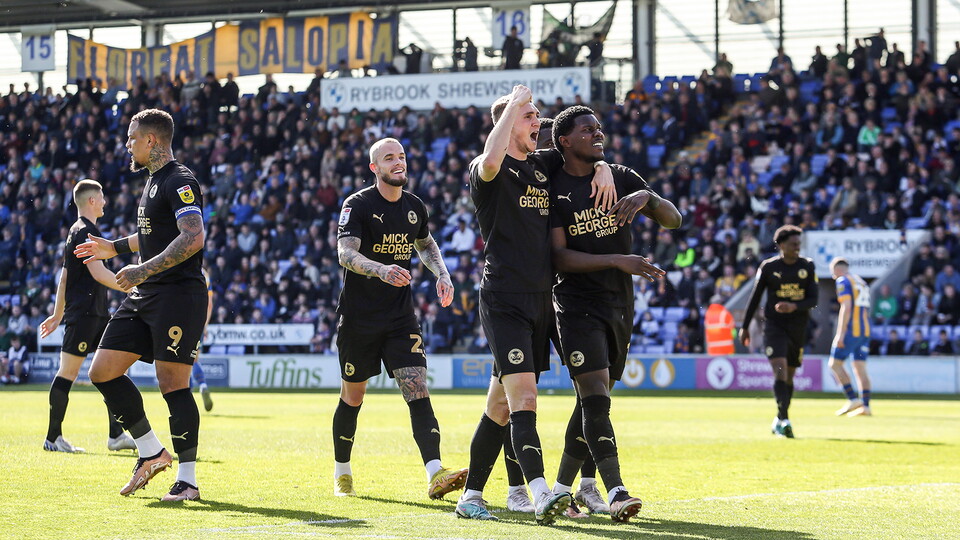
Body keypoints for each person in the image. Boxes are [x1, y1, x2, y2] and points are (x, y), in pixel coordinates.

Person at [454, 85, 615, 525]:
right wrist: (512, 104)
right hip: (504, 299)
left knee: (500, 406)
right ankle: (541, 493)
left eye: (537, 116)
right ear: (506, 125)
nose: (538, 123)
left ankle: (469, 496)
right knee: (525, 399)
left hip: (540, 301)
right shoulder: (488, 168)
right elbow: (490, 158)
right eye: (529, 117)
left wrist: (601, 166)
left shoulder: (542, 166)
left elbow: (581, 159)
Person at [549, 105, 681, 522]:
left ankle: (560, 492)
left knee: (594, 402)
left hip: (619, 304)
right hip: (574, 304)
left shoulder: (622, 176)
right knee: (594, 397)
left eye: (599, 128)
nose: (597, 133)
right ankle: (616, 490)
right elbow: (559, 257)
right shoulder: (554, 187)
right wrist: (616, 260)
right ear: (565, 140)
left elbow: (673, 220)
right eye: (587, 130)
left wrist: (649, 196)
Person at [74, 109, 207, 502]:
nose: (127, 145)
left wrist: (141, 271)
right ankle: (151, 452)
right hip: (145, 294)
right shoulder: (152, 180)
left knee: (172, 383)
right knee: (102, 371)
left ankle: (188, 481)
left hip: (178, 295)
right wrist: (113, 247)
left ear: (151, 140)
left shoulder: (180, 180)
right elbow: (151, 233)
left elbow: (193, 237)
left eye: (132, 138)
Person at [332, 137, 467, 501]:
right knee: (353, 397)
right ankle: (342, 471)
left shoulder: (414, 206)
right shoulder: (357, 204)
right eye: (389, 158)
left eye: (402, 156)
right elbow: (345, 253)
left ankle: (435, 471)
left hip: (400, 318)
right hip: (359, 318)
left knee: (416, 388)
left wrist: (442, 273)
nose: (399, 162)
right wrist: (380, 269)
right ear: (374, 168)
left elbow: (425, 243)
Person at [38, 179, 136, 454]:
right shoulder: (84, 233)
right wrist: (137, 284)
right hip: (84, 314)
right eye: (102, 197)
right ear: (92, 200)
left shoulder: (77, 231)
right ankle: (53, 437)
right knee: (68, 373)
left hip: (95, 314)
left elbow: (65, 276)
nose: (105, 201)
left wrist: (57, 314)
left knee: (115, 370)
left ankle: (116, 436)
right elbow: (98, 274)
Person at [739, 225, 818, 438]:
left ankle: (780, 416)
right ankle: (784, 420)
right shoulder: (768, 267)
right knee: (780, 369)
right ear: (781, 245)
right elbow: (755, 298)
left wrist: (794, 306)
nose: (797, 248)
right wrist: (745, 327)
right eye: (793, 244)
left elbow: (814, 299)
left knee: (790, 376)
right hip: (774, 326)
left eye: (798, 245)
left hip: (798, 327)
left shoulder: (807, 267)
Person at [827, 258, 873, 417]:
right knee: (860, 368)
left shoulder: (843, 281)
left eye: (832, 273)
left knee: (834, 364)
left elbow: (846, 307)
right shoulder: (860, 281)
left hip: (851, 331)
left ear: (837, 270)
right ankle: (865, 407)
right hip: (864, 330)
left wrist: (840, 334)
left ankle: (853, 399)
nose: (833, 277)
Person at [190, 269, 215, 412]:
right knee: (194, 360)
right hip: (198, 321)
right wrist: (204, 324)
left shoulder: (180, 265)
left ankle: (186, 394)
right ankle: (203, 385)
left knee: (181, 361)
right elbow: (209, 303)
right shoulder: (204, 274)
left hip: (180, 320)